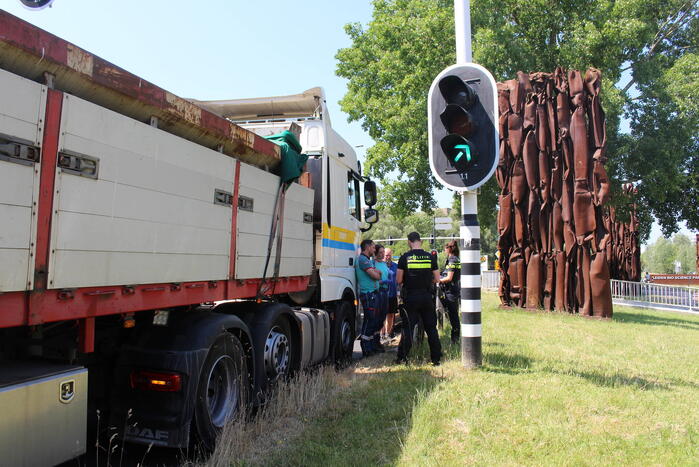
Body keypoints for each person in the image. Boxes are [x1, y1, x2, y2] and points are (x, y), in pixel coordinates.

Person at [395, 232, 442, 365]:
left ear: (409, 242)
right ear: (420, 241)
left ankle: (402, 357)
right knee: (431, 328)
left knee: (408, 329)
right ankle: (436, 359)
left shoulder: (405, 257)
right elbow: (437, 279)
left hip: (411, 297)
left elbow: (398, 279)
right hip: (427, 297)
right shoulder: (430, 257)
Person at [355, 239, 382, 356]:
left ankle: (370, 347)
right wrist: (377, 273)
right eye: (373, 247)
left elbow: (377, 273)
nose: (374, 249)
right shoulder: (362, 260)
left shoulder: (367, 260)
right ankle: (366, 348)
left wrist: (378, 273)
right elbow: (375, 275)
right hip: (368, 294)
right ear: (367, 247)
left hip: (372, 293)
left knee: (373, 320)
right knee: (369, 320)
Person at [438, 240, 461, 344]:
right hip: (450, 290)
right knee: (452, 314)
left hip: (451, 291)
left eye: (445, 248)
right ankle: (455, 337)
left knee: (453, 315)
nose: (444, 250)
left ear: (449, 249)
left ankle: (455, 338)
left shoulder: (453, 260)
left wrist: (438, 280)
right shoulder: (453, 259)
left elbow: (449, 277)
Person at [373, 244, 389, 352]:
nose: (383, 254)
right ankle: (375, 341)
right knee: (377, 317)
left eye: (384, 252)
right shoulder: (373, 264)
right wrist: (380, 282)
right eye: (381, 252)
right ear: (376, 253)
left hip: (385, 292)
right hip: (378, 291)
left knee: (383, 316)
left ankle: (377, 341)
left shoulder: (384, 264)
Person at [382, 247, 399, 340]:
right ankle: (382, 334)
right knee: (382, 316)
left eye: (389, 255)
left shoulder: (395, 266)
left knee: (391, 315)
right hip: (382, 295)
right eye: (386, 255)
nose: (388, 257)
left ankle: (388, 334)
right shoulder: (380, 266)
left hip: (392, 294)